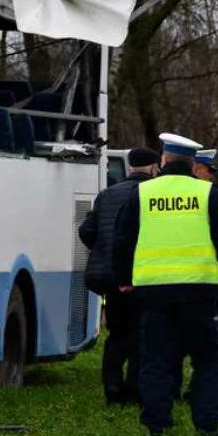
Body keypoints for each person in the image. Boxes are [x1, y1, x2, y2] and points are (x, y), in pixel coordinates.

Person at [112, 133, 218, 436]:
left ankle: (157, 426)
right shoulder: (209, 194)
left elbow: (123, 238)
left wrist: (124, 278)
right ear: (193, 163)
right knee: (207, 360)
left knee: (156, 361)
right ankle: (207, 426)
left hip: (154, 293)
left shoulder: (142, 194)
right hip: (199, 291)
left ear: (163, 160)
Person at [79, 147, 160, 405]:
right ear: (152, 167)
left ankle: (112, 387)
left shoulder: (107, 194)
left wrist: (102, 248)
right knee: (140, 333)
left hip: (110, 276)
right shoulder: (151, 194)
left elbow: (86, 231)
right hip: (140, 275)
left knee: (116, 333)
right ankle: (134, 388)